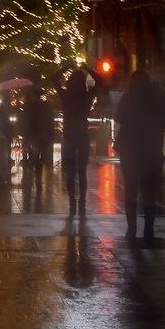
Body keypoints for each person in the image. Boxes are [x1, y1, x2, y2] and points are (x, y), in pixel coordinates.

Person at [115, 66, 165, 246]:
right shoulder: (157, 98)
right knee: (149, 193)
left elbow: (119, 118)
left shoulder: (128, 98)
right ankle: (149, 229)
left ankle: (131, 229)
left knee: (130, 190)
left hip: (130, 150)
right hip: (151, 150)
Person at [59, 64, 96, 217]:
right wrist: (88, 69)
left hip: (68, 136)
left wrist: (64, 67)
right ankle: (82, 201)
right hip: (82, 135)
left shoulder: (65, 95)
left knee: (70, 171)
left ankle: (72, 202)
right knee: (82, 172)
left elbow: (53, 79)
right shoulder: (87, 97)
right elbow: (100, 81)